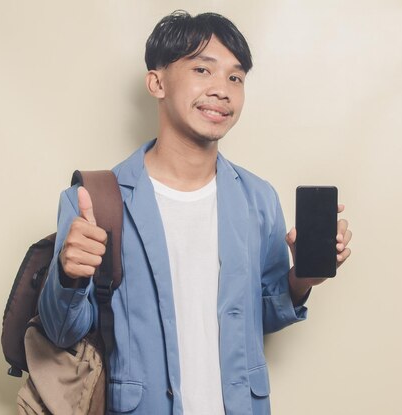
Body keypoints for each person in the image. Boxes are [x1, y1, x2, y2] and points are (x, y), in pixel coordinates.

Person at [39, 10, 352, 415]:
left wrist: (301, 279)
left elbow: (262, 319)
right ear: (157, 82)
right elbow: (60, 331)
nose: (222, 90)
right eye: (203, 69)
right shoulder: (96, 200)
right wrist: (68, 275)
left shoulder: (258, 198)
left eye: (235, 78)